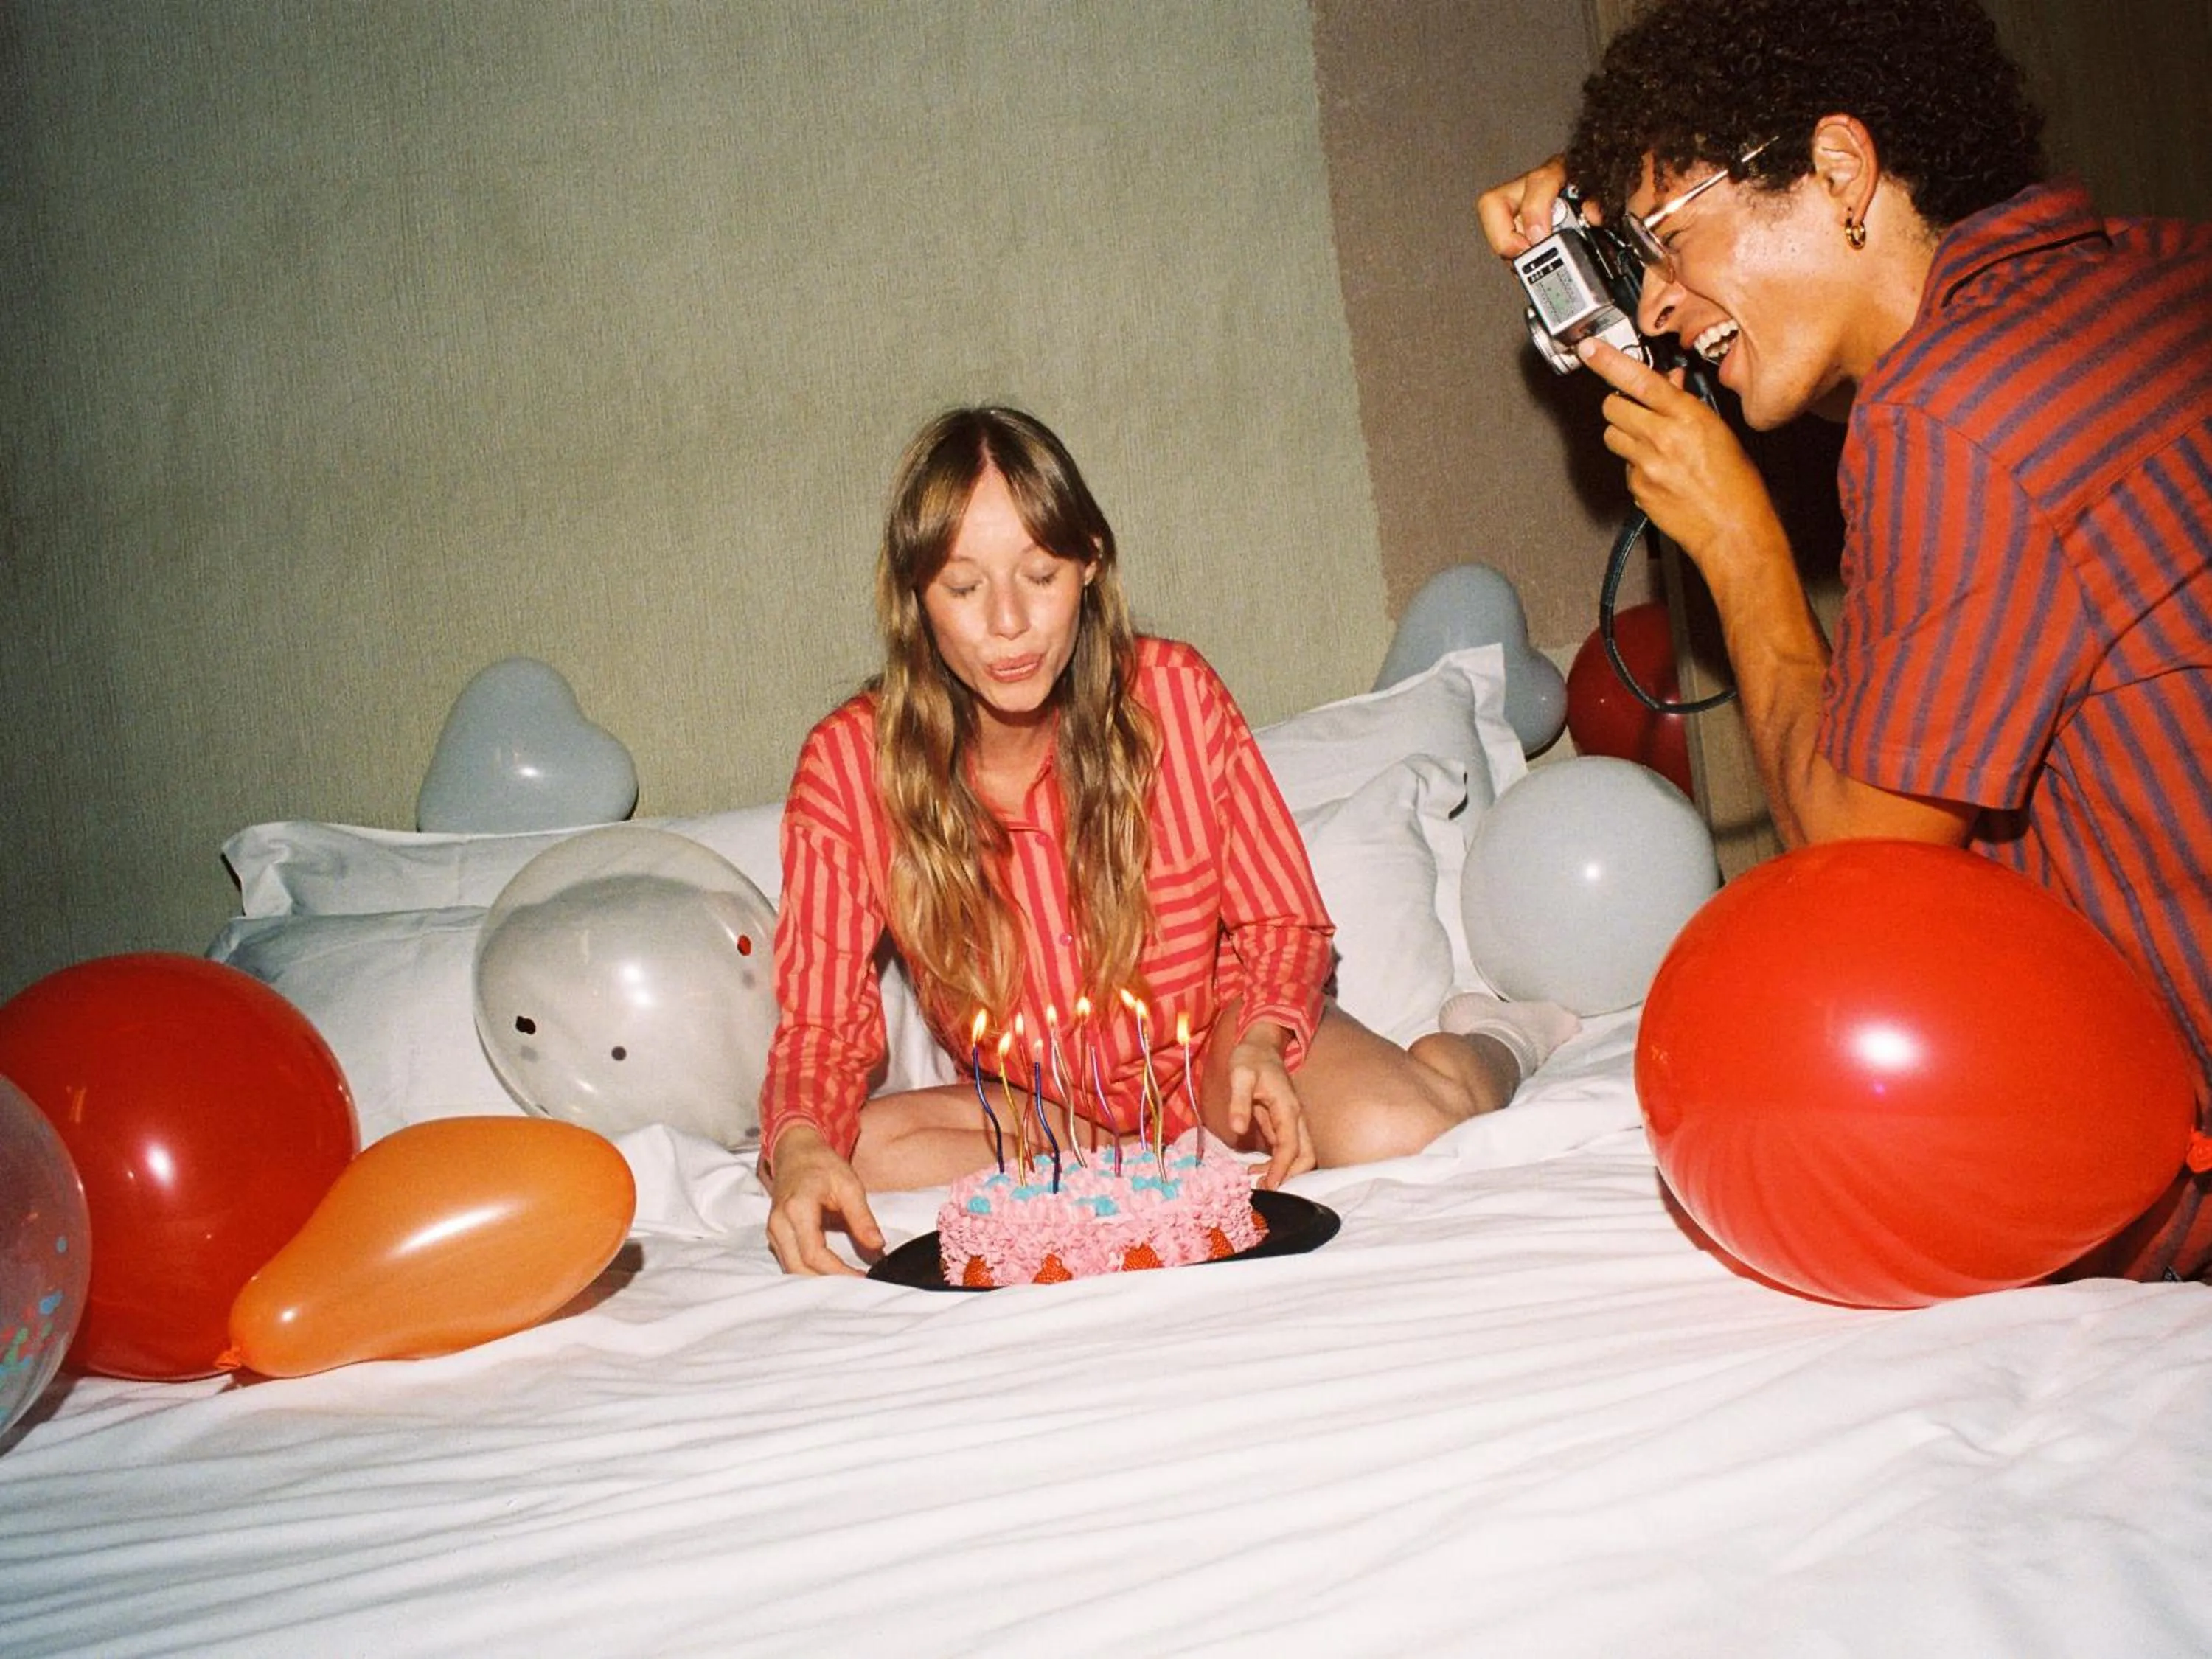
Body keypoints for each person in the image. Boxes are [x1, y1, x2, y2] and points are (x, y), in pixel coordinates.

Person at [1476, 0, 2212, 1279]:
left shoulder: (1950, 415)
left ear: (1838, 169)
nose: (1650, 312)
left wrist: (1741, 551)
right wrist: (1628, 193)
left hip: (2162, 1172)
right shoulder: (2153, 276)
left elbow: (1863, 871)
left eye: (1664, 244)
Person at [759, 406, 1579, 1274]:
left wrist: (1262, 1037)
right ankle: (1124, 1168)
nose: (1007, 623)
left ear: (1089, 565)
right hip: (1039, 1112)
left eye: (1040, 575)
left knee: (1403, 1129)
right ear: (918, 598)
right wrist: (802, 1142)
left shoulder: (1176, 696)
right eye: (964, 588)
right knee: (848, 1155)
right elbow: (820, 1023)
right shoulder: (848, 766)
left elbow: (1282, 925)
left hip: (1212, 1054)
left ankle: (1498, 1035)